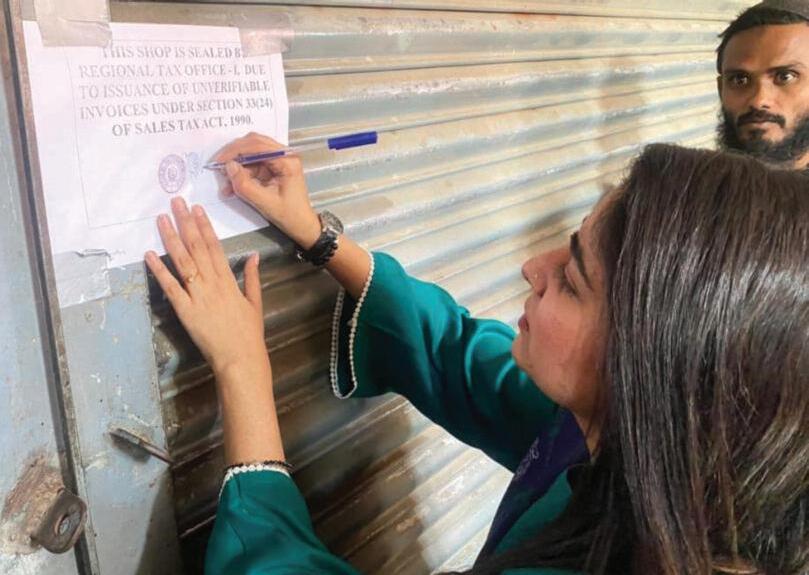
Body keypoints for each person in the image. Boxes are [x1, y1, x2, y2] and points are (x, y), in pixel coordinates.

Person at [145, 137, 809, 574]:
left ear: (650, 362)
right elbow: (462, 357)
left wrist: (241, 369)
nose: (532, 267)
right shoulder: (652, 448)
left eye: (572, 280)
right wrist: (320, 238)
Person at [717, 0, 809, 169]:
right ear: (720, 89)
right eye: (739, 79)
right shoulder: (697, 181)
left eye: (785, 77)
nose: (759, 101)